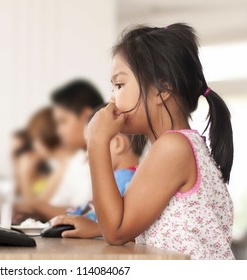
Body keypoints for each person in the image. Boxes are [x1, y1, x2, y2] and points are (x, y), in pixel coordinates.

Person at [85, 24, 234, 259]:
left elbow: (116, 231)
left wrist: (96, 141)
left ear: (162, 89)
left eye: (120, 85)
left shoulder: (173, 148)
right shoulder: (178, 146)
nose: (112, 98)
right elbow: (142, 226)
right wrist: (94, 229)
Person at [14, 80, 104, 222]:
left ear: (86, 115)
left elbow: (87, 214)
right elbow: (59, 208)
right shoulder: (77, 160)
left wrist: (34, 206)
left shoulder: (107, 159)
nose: (58, 131)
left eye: (63, 122)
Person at [52, 105, 147, 238]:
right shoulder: (120, 178)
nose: (86, 155)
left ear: (118, 144)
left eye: (90, 145)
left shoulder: (127, 181)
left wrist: (96, 229)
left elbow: (131, 230)